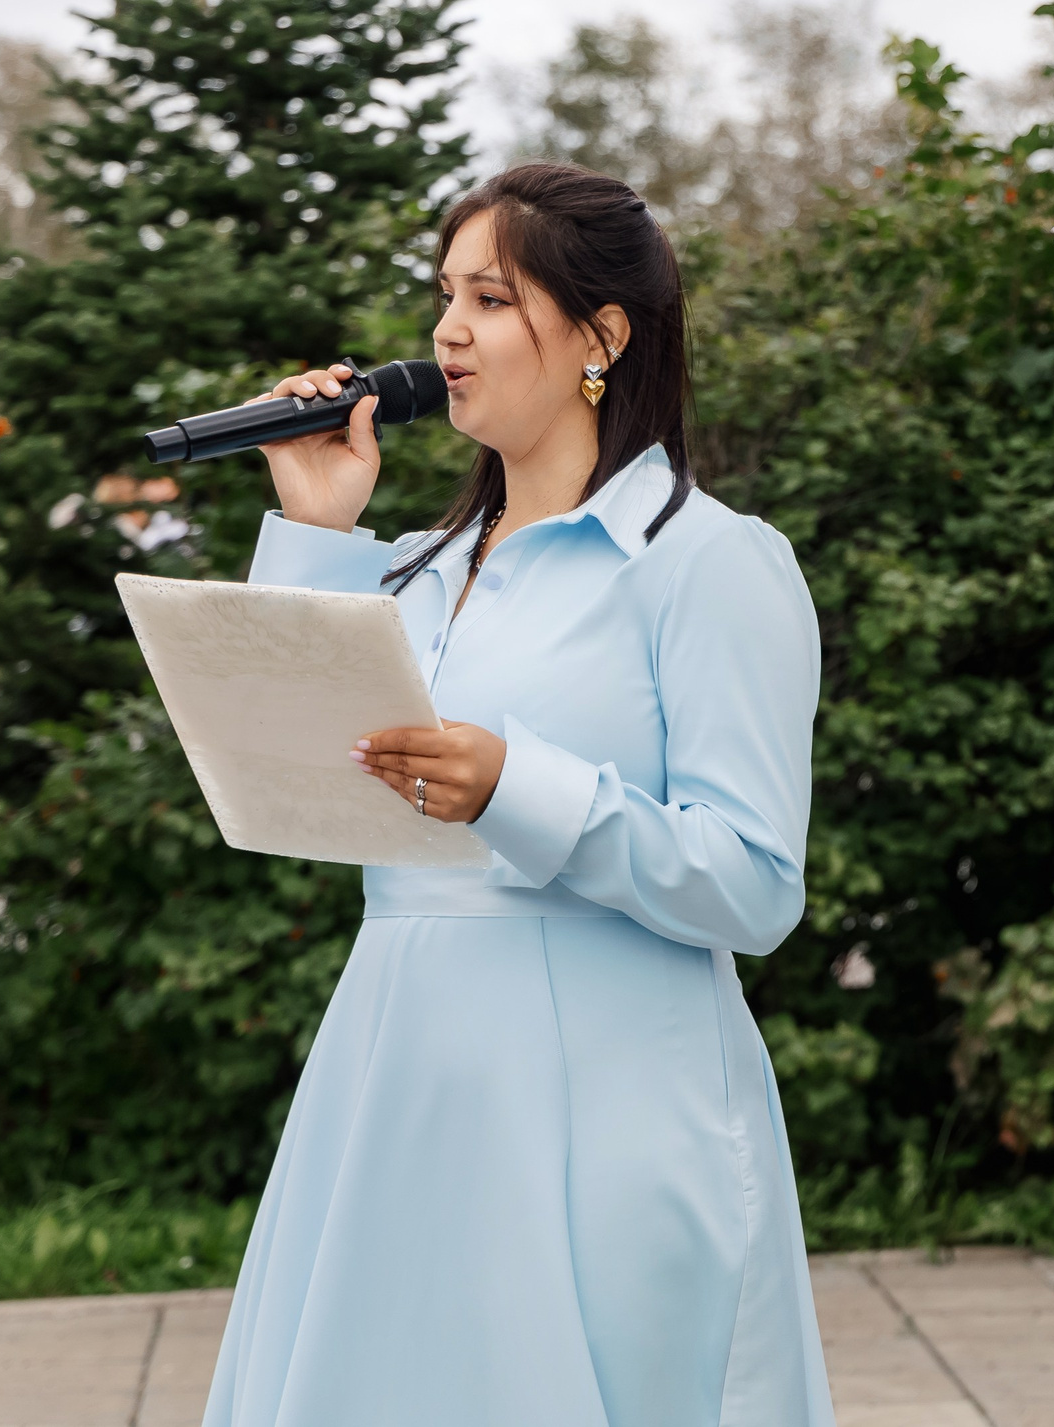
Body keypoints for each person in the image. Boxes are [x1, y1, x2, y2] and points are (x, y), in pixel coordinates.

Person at [203, 161, 833, 1427]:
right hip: (397, 1078)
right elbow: (293, 791)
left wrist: (520, 791)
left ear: (603, 336)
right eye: (445, 296)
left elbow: (757, 885)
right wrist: (317, 526)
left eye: (490, 300)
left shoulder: (710, 563)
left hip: (612, 1101)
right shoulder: (407, 571)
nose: (447, 333)